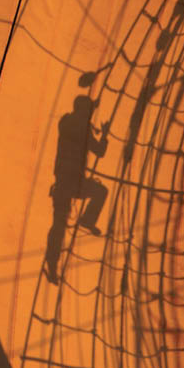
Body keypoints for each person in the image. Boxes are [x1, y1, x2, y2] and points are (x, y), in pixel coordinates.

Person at [45, 95, 109, 284]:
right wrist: (104, 134)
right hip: (76, 183)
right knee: (101, 192)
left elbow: (78, 118)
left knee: (58, 225)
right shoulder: (83, 127)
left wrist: (90, 109)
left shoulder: (65, 122)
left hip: (62, 184)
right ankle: (87, 220)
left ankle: (52, 263)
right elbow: (100, 151)